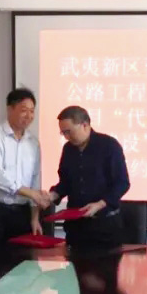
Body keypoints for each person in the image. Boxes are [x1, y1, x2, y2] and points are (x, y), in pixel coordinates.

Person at [48, 106, 131, 249]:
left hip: (104, 227)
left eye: (69, 132)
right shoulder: (68, 149)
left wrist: (100, 204)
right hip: (76, 228)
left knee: (105, 262)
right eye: (63, 133)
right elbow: (66, 182)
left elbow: (122, 183)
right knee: (74, 263)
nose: (66, 137)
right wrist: (53, 195)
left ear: (85, 125)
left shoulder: (109, 146)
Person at [0, 88, 50, 246]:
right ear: (10, 109)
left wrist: (34, 218)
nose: (29, 116)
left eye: (32, 111)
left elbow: (35, 180)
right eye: (24, 110)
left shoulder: (33, 142)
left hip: (21, 213)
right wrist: (30, 193)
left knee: (21, 258)